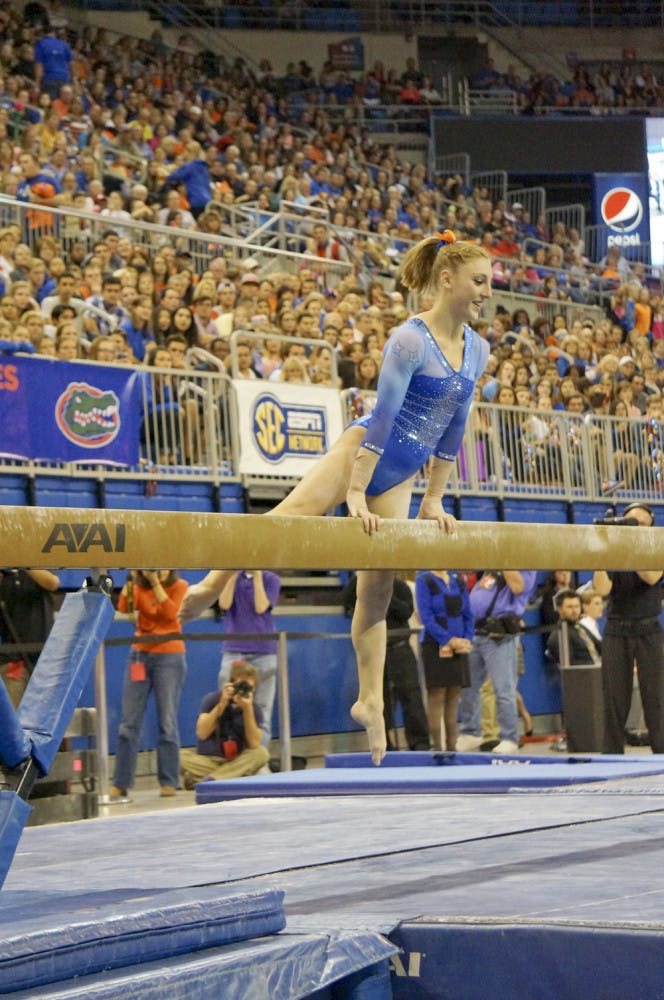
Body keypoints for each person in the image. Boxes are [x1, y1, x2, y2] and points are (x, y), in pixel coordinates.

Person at [181, 232, 492, 764]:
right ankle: (216, 579)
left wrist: (434, 500)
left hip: (401, 476)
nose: (487, 291)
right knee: (287, 520)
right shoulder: (410, 340)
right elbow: (386, 414)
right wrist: (353, 491)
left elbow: (455, 426)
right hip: (361, 451)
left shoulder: (478, 349)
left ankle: (370, 700)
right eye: (479, 280)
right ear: (447, 280)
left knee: (377, 587)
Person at [592, 503, 664, 754]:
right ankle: (611, 754)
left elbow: (651, 577)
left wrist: (628, 546)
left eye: (642, 524)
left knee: (656, 697)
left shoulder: (657, 547)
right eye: (631, 523)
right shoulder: (615, 552)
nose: (636, 528)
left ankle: (662, 753)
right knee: (613, 698)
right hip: (616, 629)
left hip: (649, 630)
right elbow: (601, 590)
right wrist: (603, 555)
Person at [111, 569, 188, 799]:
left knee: (167, 721)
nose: (158, 570)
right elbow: (123, 607)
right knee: (128, 723)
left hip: (169, 654)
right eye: (153, 566)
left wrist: (156, 583)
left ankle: (168, 780)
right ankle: (121, 782)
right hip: (140, 654)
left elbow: (171, 614)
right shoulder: (137, 585)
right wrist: (133, 579)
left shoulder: (180, 586)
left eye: (162, 566)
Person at [342, 573, 430, 751]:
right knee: (374, 595)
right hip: (388, 645)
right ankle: (372, 701)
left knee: (377, 594)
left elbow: (406, 611)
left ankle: (372, 701)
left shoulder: (401, 587)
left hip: (399, 646)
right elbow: (346, 601)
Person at [457, 569, 537, 755]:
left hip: (499, 636)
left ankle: (509, 737)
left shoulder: (527, 567)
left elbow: (518, 587)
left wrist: (504, 560)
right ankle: (471, 731)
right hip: (476, 632)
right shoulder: (492, 569)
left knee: (503, 690)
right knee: (468, 686)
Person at [179, 660, 269, 788]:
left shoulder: (254, 708)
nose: (242, 690)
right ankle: (230, 777)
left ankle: (210, 780)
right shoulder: (212, 699)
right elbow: (202, 733)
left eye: (247, 687)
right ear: (231, 684)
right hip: (208, 760)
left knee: (261, 753)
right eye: (239, 685)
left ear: (254, 689)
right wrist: (222, 704)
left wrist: (247, 709)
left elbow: (254, 744)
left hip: (237, 759)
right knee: (177, 757)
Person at [216, 570, 281, 747]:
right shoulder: (232, 576)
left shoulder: (271, 579)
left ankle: (259, 757)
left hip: (263, 652)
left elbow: (261, 606)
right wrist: (232, 575)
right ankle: (229, 752)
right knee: (228, 703)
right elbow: (224, 603)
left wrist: (257, 575)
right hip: (234, 650)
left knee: (262, 709)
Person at [415, 569, 473, 751]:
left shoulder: (458, 580)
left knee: (454, 695)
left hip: (459, 644)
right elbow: (426, 617)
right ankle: (438, 747)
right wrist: (448, 640)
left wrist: (466, 639)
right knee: (437, 694)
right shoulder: (424, 579)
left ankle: (452, 747)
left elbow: (468, 614)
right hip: (435, 644)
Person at [0, 568, 60, 707]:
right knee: (13, 724)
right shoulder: (5, 575)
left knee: (43, 722)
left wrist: (23, 563)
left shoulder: (38, 568)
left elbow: (53, 583)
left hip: (43, 662)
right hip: (12, 664)